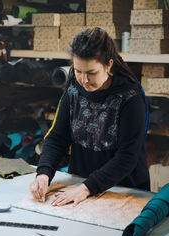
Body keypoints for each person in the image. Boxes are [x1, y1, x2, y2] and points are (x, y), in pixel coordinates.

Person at [30, 27, 150, 207]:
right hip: (80, 184)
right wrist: (44, 173)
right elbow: (57, 138)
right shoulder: (73, 90)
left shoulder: (130, 97)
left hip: (124, 191)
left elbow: (127, 157)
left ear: (108, 65)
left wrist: (87, 188)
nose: (84, 80)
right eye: (78, 71)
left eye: (91, 73)